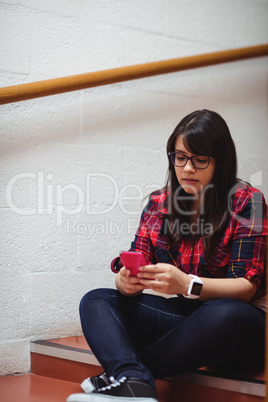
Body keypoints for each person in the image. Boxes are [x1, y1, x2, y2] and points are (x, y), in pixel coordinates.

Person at [67, 109, 267, 402]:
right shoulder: (159, 203)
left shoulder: (248, 201)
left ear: (219, 161)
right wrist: (126, 282)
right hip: (190, 319)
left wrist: (187, 285)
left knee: (224, 312)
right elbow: (136, 259)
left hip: (240, 324)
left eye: (200, 159)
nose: (187, 168)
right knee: (96, 300)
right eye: (180, 157)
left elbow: (245, 288)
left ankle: (126, 376)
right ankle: (135, 383)